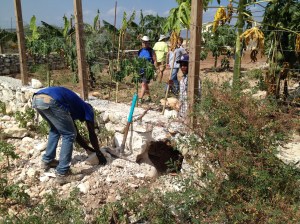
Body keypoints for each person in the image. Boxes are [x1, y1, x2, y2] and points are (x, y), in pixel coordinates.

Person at [32, 86, 107, 185]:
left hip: (37, 98)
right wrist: (99, 153)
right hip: (51, 100)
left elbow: (76, 133)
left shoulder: (74, 107)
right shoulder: (88, 109)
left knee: (55, 130)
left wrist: (87, 148)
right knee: (68, 134)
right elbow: (91, 134)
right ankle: (62, 173)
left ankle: (47, 161)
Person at [138, 35, 156, 103]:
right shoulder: (140, 51)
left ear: (148, 43)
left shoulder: (151, 51)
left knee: (143, 83)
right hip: (141, 70)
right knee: (145, 84)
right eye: (144, 42)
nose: (145, 43)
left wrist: (155, 70)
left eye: (146, 42)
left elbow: (155, 60)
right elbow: (138, 60)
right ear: (142, 42)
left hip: (148, 70)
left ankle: (140, 98)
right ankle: (149, 97)